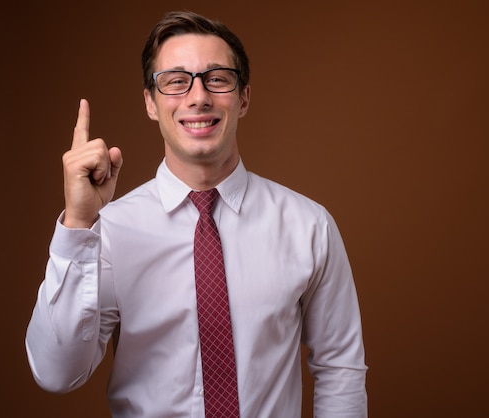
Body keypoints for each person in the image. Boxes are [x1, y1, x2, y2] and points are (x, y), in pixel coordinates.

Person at [25, 10, 367, 418]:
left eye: (218, 78)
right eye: (175, 81)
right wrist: (78, 226)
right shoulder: (108, 232)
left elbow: (339, 368)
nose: (198, 96)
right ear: (150, 103)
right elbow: (56, 373)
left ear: (243, 98)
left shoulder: (309, 226)